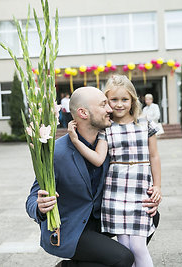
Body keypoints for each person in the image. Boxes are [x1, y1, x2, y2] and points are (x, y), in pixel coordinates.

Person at [26, 86, 160, 267]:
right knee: (123, 258)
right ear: (83, 113)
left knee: (151, 216)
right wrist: (40, 207)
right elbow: (32, 199)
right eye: (104, 104)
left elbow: (136, 169)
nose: (110, 109)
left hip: (100, 221)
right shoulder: (56, 152)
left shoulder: (108, 142)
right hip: (70, 228)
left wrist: (151, 192)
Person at [68, 75, 162, 267]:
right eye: (114, 100)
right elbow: (98, 158)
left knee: (138, 246)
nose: (119, 104)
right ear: (107, 101)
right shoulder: (106, 129)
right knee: (125, 248)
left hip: (139, 190)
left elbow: (154, 157)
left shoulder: (145, 125)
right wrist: (76, 141)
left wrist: (158, 185)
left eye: (125, 99)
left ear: (133, 100)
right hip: (116, 192)